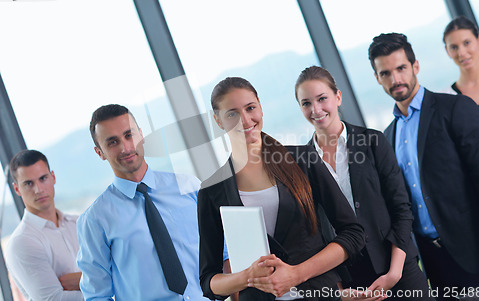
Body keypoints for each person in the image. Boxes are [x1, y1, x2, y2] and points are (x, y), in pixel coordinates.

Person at [198, 77, 365, 301]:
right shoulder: (211, 190)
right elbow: (209, 282)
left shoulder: (303, 160)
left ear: (260, 107)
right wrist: (248, 276)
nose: (245, 120)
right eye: (232, 114)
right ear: (217, 120)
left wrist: (296, 274)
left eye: (250, 108)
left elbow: (353, 234)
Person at [368, 33, 479, 299]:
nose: (396, 80)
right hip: (433, 263)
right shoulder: (388, 136)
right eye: (386, 73)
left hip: (478, 251)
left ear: (415, 66)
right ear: (377, 78)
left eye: (401, 68)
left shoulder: (455, 108)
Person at [294, 66, 433, 300]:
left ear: (338, 97)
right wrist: (338, 289)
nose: (315, 109)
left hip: (399, 269)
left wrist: (394, 273)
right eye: (306, 103)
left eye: (322, 99)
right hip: (352, 281)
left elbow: (401, 208)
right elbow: (314, 233)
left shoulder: (372, 142)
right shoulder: (302, 163)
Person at [77, 104, 208, 300]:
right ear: (100, 153)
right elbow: (97, 295)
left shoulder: (189, 187)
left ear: (141, 135)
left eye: (129, 135)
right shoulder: (95, 220)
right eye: (113, 142)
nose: (126, 147)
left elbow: (223, 254)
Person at [6, 149, 83, 301]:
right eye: (28, 183)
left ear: (53, 177)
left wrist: (82, 280)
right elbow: (52, 299)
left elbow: (114, 269)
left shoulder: (79, 223)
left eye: (43, 178)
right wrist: (101, 283)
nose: (38, 190)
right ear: (17, 189)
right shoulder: (22, 242)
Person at [441, 16, 479, 155]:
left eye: (467, 43)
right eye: (454, 47)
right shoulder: (445, 98)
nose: (462, 53)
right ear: (447, 51)